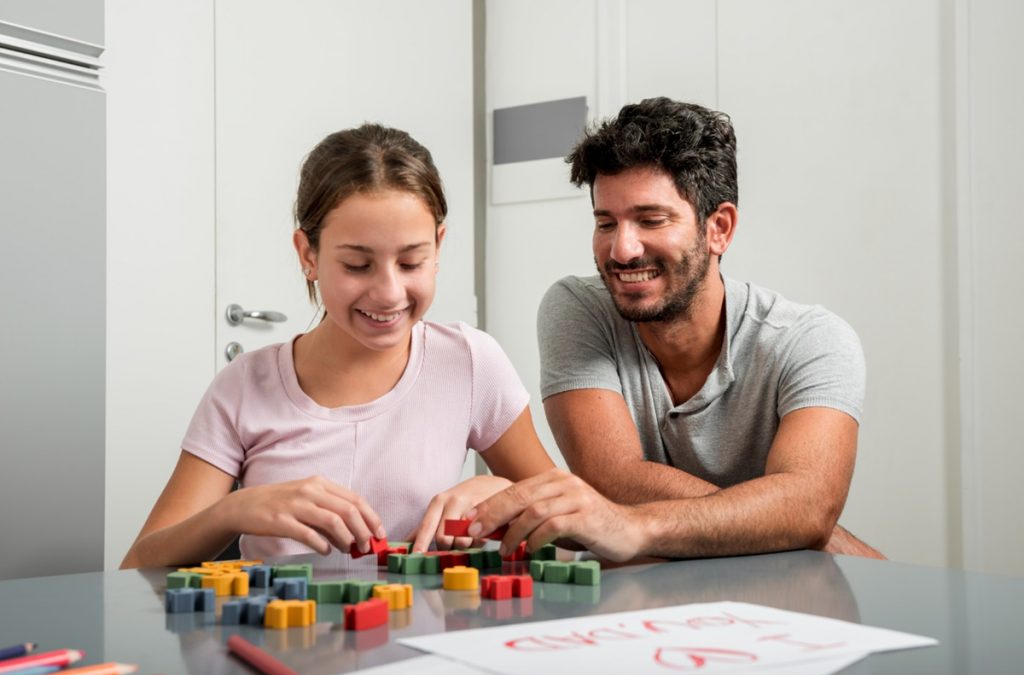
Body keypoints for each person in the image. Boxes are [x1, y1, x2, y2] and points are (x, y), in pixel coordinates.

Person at [466, 98, 882, 561]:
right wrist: (778, 516)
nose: (622, 250)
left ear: (718, 229)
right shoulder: (579, 309)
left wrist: (636, 525)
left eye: (651, 220)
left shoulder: (812, 341)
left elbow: (808, 505)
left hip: (782, 605)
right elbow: (614, 478)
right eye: (606, 222)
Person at [121, 124, 553, 569]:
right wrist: (233, 511)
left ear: (438, 247)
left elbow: (573, 525)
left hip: (424, 635)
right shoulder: (244, 387)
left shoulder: (468, 361)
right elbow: (137, 566)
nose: (389, 292)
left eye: (410, 262)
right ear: (308, 255)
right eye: (357, 265)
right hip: (277, 637)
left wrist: (506, 494)